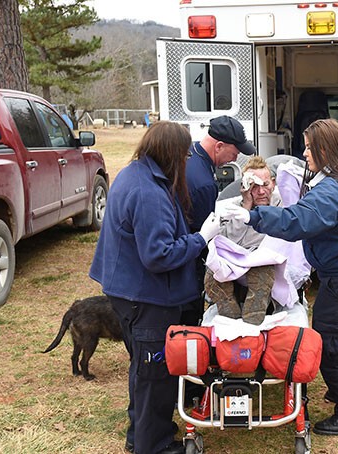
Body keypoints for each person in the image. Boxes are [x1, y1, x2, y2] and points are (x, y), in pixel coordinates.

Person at [224, 118, 338, 436]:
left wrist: (253, 216)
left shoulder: (332, 190)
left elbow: (297, 221)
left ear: (325, 149)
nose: (305, 152)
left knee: (329, 339)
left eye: (310, 147)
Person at [89, 121, 221, 454]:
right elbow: (159, 254)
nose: (187, 161)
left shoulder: (136, 173)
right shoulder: (148, 192)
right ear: (171, 153)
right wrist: (203, 237)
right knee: (154, 372)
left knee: (142, 368)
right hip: (145, 296)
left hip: (128, 290)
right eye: (184, 154)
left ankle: (142, 433)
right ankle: (154, 445)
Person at [183, 115, 255, 325]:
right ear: (219, 146)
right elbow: (203, 235)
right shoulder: (203, 182)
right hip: (189, 265)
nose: (234, 159)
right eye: (234, 153)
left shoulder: (191, 154)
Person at [206, 155, 281, 325]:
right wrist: (246, 206)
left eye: (265, 185)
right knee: (212, 276)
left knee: (262, 271)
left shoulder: (282, 204)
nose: (261, 192)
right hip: (236, 261)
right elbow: (227, 242)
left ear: (273, 183)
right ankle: (230, 319)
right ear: (245, 186)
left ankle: (252, 320)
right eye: (254, 186)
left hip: (264, 261)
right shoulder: (233, 206)